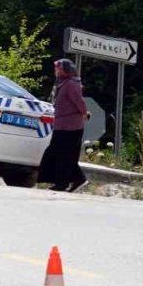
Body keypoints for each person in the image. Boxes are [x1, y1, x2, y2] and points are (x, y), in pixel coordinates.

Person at [39, 58, 89, 192]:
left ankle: (63, 183)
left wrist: (84, 113)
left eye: (59, 68)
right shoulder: (63, 83)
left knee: (63, 154)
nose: (56, 70)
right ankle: (75, 179)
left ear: (66, 70)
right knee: (59, 153)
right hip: (62, 125)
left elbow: (79, 102)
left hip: (71, 127)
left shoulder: (71, 84)